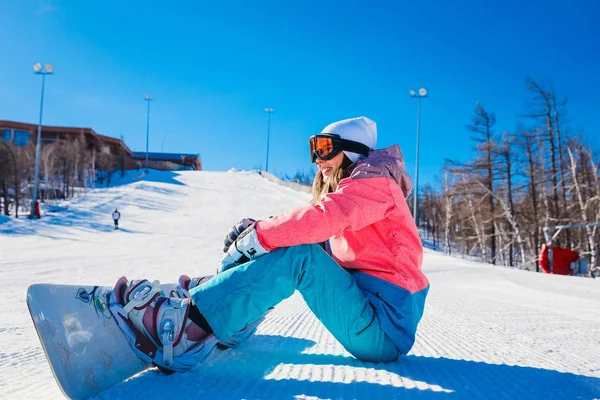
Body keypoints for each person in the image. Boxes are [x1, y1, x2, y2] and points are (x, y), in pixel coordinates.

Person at [109, 116, 430, 372]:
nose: (318, 159)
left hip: (384, 329)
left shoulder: (375, 185)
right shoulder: (361, 190)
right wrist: (259, 237)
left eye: (325, 148)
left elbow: (323, 219)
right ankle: (227, 317)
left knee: (297, 252)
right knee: (291, 246)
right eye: (314, 149)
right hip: (371, 315)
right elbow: (319, 240)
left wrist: (261, 234)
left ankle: (188, 330)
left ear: (353, 151)